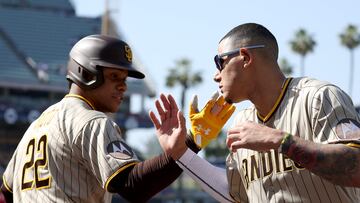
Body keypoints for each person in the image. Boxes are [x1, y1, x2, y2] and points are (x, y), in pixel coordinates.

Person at [151, 23, 360, 203]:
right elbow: (237, 195)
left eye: (219, 62)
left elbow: (356, 167)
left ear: (245, 57)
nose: (216, 76)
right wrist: (181, 153)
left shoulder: (317, 97)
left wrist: (281, 141)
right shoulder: (242, 122)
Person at [0, 34, 205, 203]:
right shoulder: (92, 121)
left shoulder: (35, 127)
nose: (123, 86)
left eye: (124, 79)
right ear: (86, 74)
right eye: (115, 77)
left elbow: (6, 193)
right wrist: (186, 146)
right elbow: (134, 187)